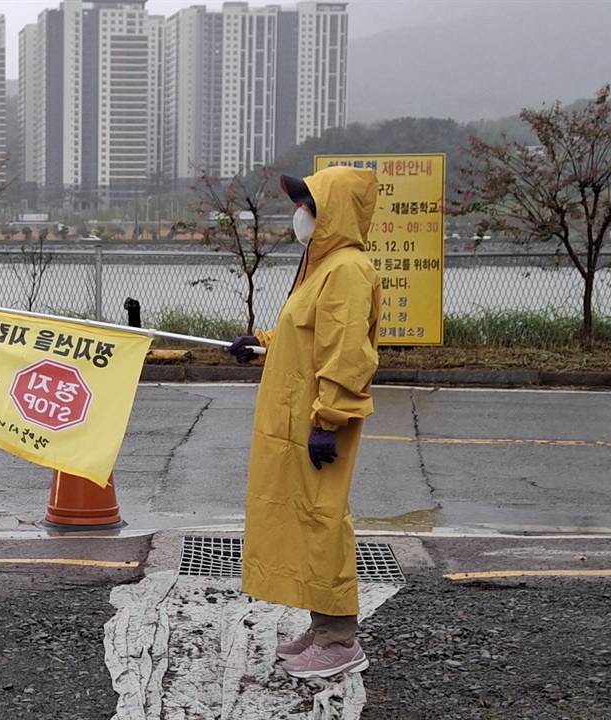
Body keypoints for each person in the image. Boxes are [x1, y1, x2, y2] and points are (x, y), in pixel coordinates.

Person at [227, 165, 382, 679]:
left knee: (322, 522)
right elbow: (306, 333)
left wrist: (330, 419)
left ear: (332, 212)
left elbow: (346, 354)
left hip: (318, 421)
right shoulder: (323, 267)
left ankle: (340, 640)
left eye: (309, 205)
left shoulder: (348, 270)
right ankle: (322, 627)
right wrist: (262, 344)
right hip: (296, 418)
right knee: (302, 518)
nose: (300, 214)